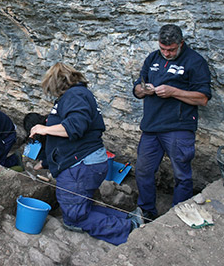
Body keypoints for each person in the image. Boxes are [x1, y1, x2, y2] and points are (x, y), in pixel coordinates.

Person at [30, 62, 142, 245]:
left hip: (81, 165)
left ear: (57, 83)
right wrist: (48, 161)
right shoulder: (78, 95)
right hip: (84, 163)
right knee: (82, 207)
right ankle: (129, 219)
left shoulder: (75, 95)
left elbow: (75, 126)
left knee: (74, 217)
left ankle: (129, 231)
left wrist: (45, 129)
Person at [132, 24, 211, 222]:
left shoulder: (195, 62)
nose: (167, 53)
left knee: (181, 174)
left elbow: (202, 98)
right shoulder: (153, 58)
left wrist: (173, 91)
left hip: (179, 127)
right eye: (163, 48)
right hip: (151, 126)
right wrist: (143, 90)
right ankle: (147, 211)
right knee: (143, 170)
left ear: (181, 44)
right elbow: (136, 89)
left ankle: (178, 214)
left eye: (172, 49)